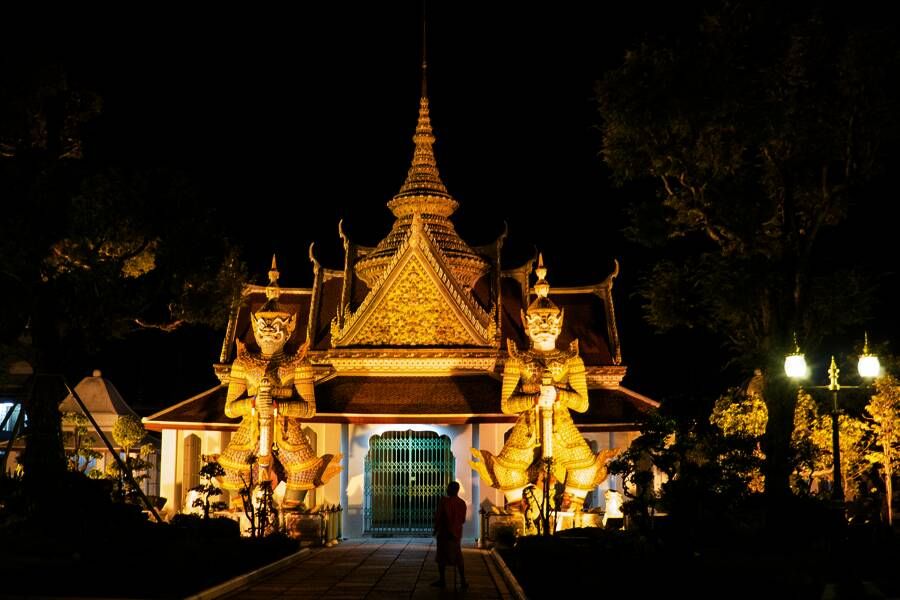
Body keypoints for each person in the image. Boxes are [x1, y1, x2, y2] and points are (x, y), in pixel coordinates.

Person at [470, 255, 618, 514]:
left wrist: (558, 395)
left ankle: (570, 514)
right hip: (528, 429)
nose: (544, 326)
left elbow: (582, 404)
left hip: (561, 428)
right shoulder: (517, 359)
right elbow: (507, 405)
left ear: (559, 324)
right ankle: (518, 514)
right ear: (526, 325)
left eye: (549, 321)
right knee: (505, 470)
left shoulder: (571, 359)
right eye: (538, 321)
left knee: (585, 469)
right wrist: (535, 399)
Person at [219, 258, 341, 510]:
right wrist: (253, 403)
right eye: (263, 329)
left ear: (288, 330)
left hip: (287, 431)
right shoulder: (243, 362)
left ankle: (292, 520)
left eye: (275, 329)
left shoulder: (298, 363)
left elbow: (309, 409)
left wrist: (277, 406)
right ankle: (240, 522)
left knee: (303, 473)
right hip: (250, 429)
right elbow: (230, 409)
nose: (268, 334)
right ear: (254, 329)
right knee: (233, 475)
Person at [432, 481, 468, 589]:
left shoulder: (444, 502)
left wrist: (435, 529)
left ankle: (442, 580)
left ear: (451, 489)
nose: (447, 489)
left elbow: (439, 517)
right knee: (458, 557)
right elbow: (462, 519)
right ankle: (462, 581)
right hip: (456, 534)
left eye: (448, 488)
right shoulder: (462, 503)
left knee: (442, 557)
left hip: (445, 533)